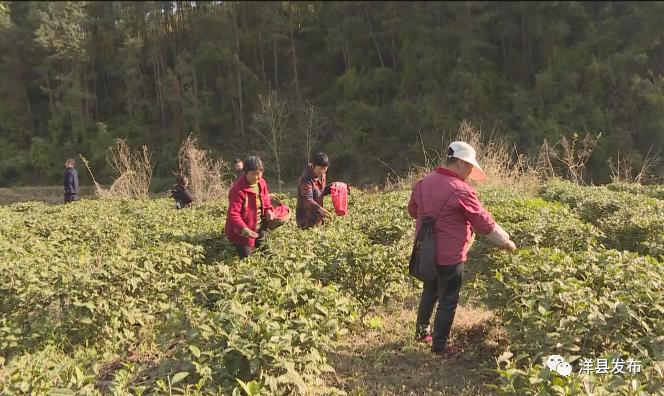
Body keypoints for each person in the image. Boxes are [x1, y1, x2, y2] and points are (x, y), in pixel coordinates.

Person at [407, 141, 517, 358]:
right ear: (458, 162)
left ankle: (421, 332)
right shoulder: (461, 190)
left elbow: (412, 210)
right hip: (450, 256)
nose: (469, 172)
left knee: (430, 290)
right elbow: (484, 222)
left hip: (427, 251)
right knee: (448, 298)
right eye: (468, 167)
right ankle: (440, 346)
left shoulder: (423, 182)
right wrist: (506, 242)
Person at [225, 156, 275, 258]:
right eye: (253, 174)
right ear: (245, 173)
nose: (257, 177)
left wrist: (269, 210)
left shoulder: (261, 183)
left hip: (259, 227)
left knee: (268, 254)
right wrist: (244, 229)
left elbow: (266, 199)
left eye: (259, 174)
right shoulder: (238, 190)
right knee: (246, 259)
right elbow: (234, 214)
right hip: (242, 231)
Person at [296, 152, 333, 229]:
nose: (322, 171)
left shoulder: (322, 175)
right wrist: (319, 209)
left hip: (318, 218)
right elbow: (307, 199)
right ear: (313, 165)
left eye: (325, 168)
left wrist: (333, 188)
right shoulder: (306, 179)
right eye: (320, 168)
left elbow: (321, 190)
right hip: (306, 219)